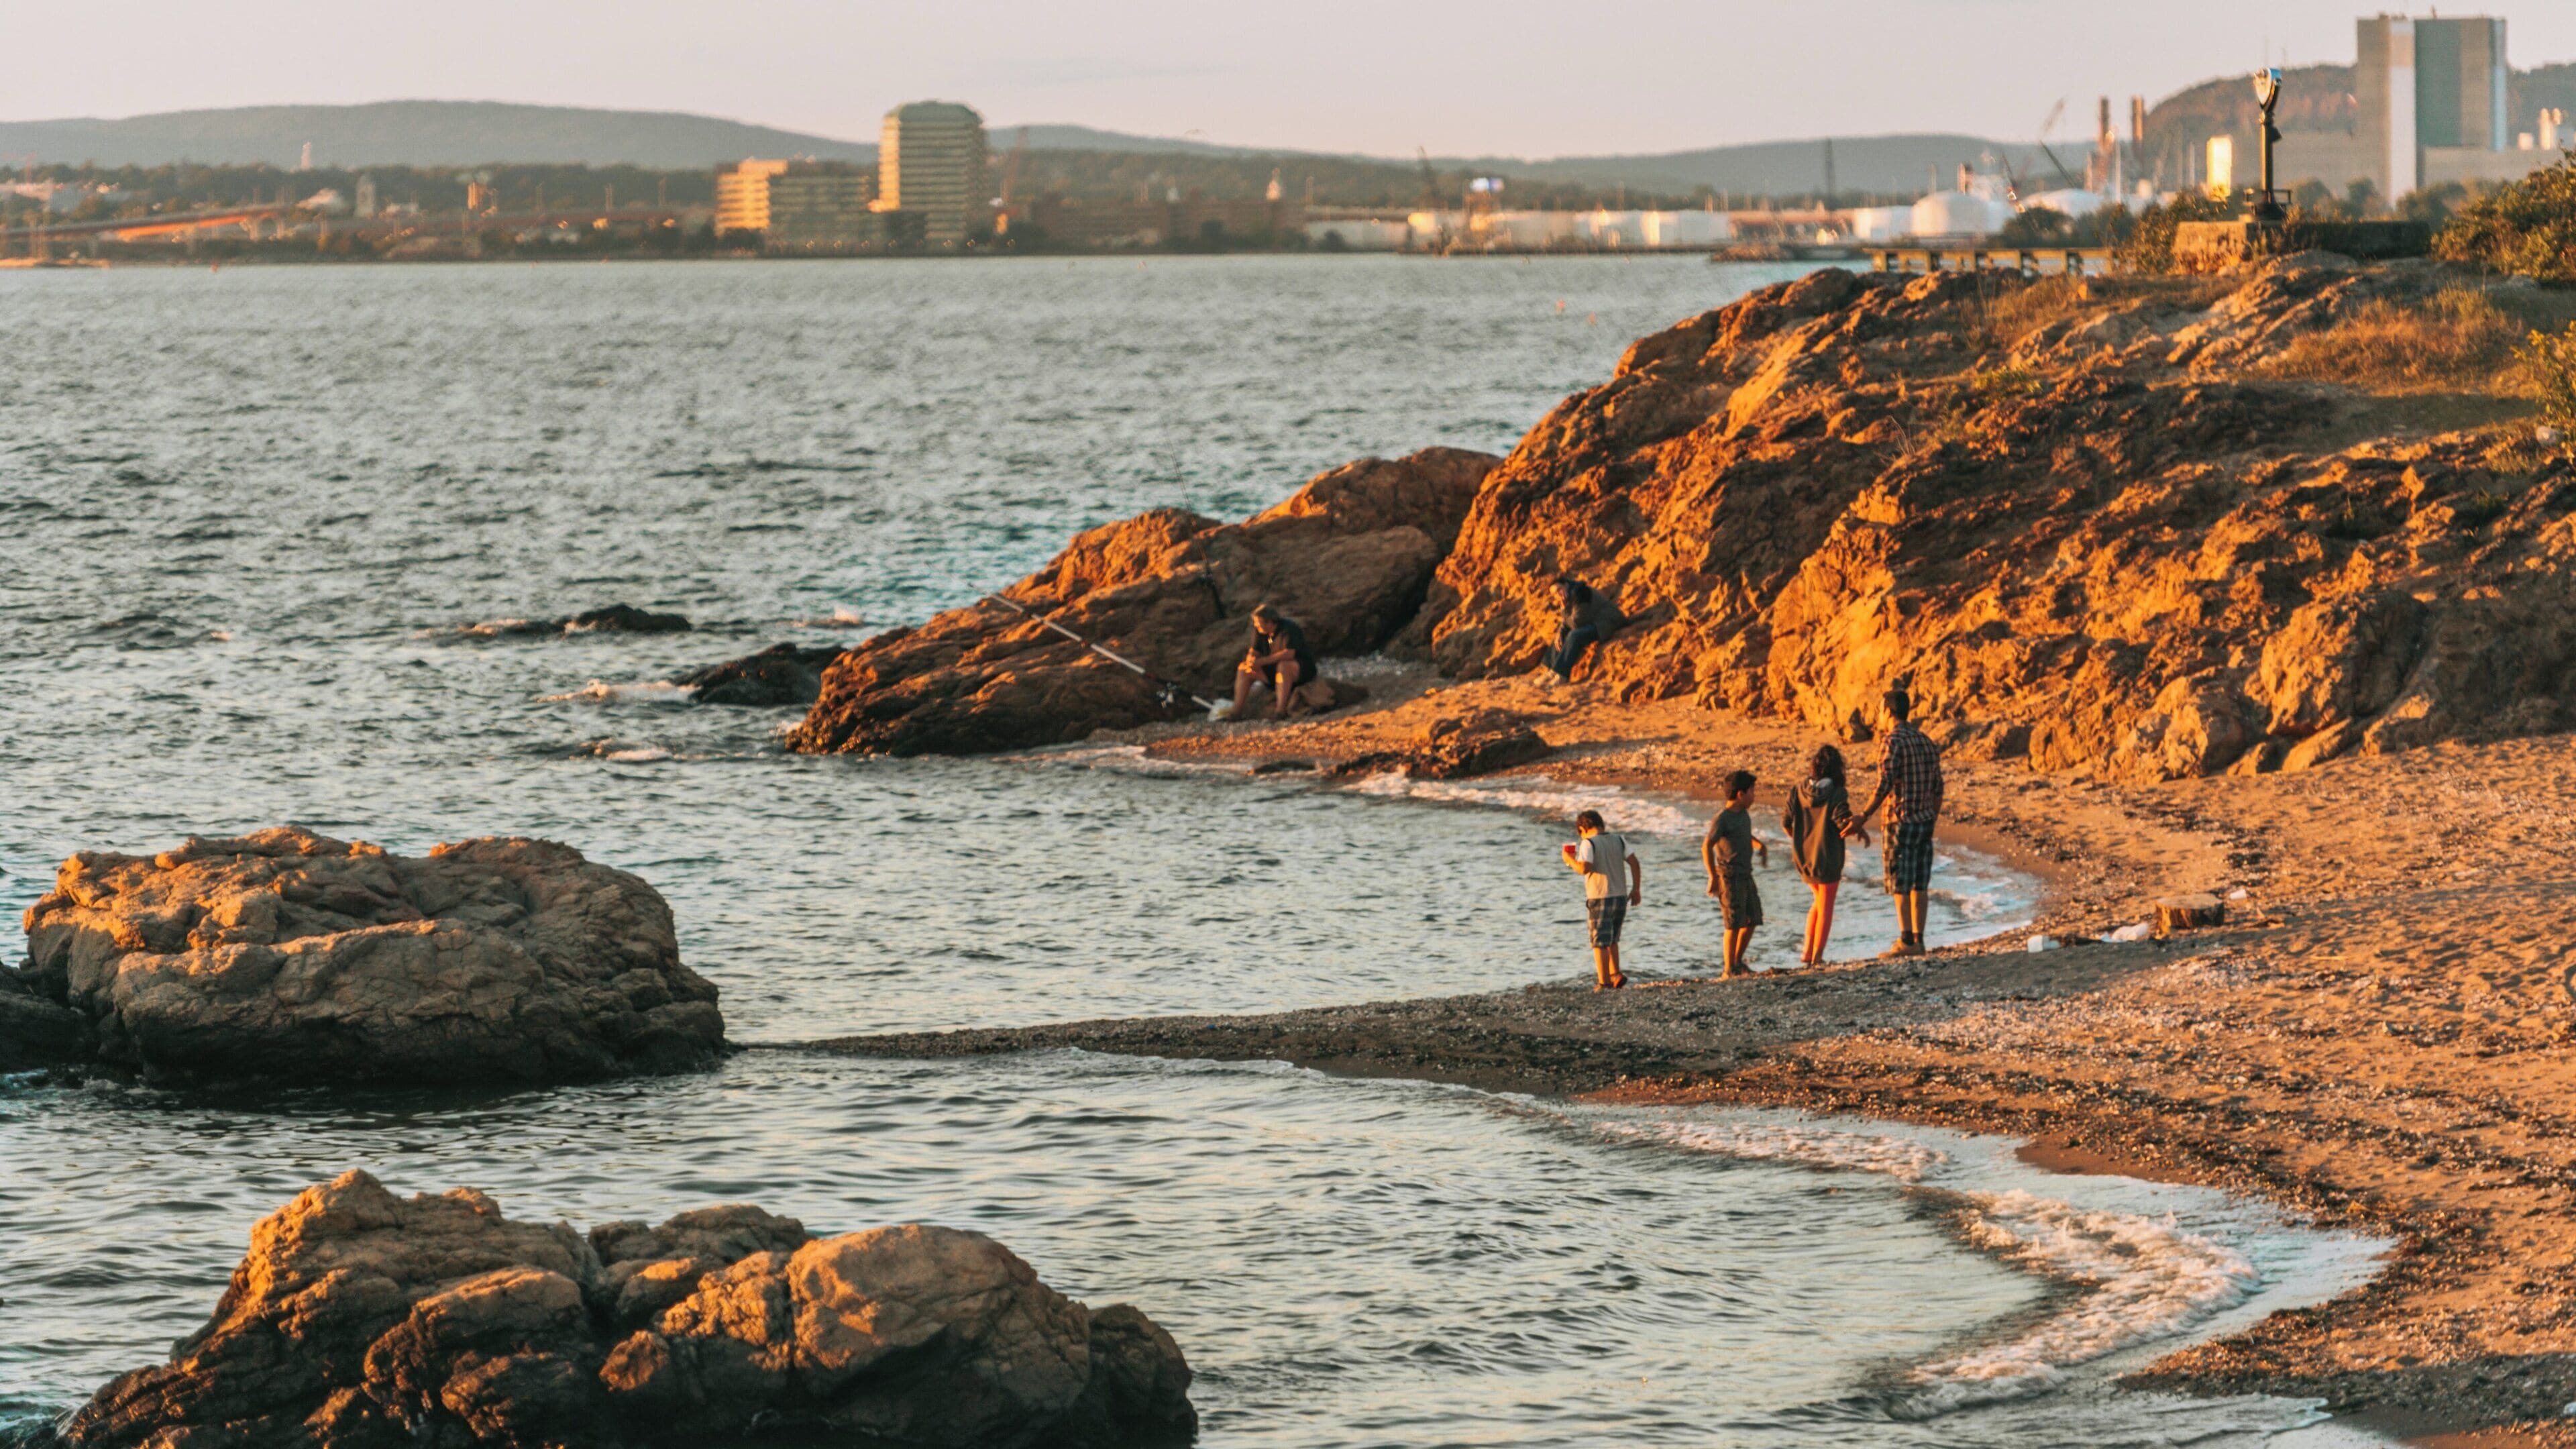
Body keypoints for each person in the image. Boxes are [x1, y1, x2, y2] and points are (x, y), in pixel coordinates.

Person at [1858, 681, 1944, 957]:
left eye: (1880, 711)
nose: (1879, 717)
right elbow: (1938, 788)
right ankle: (1919, 939)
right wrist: (1932, 817)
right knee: (1920, 882)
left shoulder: (1892, 742)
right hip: (1925, 820)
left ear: (1889, 711)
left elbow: (1884, 785)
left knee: (1900, 882)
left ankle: (1906, 940)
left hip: (1900, 819)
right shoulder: (1926, 741)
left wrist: (1863, 815)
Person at [1781, 744, 1870, 967]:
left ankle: (1807, 953)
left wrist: (1801, 840)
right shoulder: (1837, 793)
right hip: (1828, 857)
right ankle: (1818, 956)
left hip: (1804, 857)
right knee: (1826, 906)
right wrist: (1859, 827)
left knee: (1818, 903)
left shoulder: (1798, 790)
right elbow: (1842, 823)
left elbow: (1786, 823)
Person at [1562, 809, 1642, 989]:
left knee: (1599, 943)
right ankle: (1616, 974)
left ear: (1583, 829)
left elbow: (1585, 868)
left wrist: (1569, 860)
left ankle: (1603, 983)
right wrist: (1636, 889)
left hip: (1600, 896)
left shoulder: (1588, 844)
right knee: (1613, 939)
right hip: (1620, 896)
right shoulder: (1619, 839)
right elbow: (1635, 862)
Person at [1700, 770, 1767, 977]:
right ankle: (1729, 968)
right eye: (1752, 792)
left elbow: (1744, 835)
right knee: (1733, 923)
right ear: (1740, 794)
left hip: (1746, 874)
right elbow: (1707, 846)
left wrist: (1758, 845)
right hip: (1729, 876)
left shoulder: (1743, 815)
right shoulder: (1723, 818)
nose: (1754, 796)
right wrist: (1713, 876)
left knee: (1753, 919)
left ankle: (1737, 961)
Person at [1230, 603, 1317, 720]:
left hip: (1300, 670)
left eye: (1258, 622)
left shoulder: (1289, 629)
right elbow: (1254, 650)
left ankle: (1280, 711)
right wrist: (1251, 661)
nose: (1256, 625)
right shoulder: (1260, 631)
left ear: (1270, 622)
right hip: (1273, 671)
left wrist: (1261, 662)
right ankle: (1236, 712)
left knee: (1284, 666)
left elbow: (1289, 654)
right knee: (1243, 669)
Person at [1546, 578, 1617, 680]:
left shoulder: (1581, 593)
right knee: (1560, 638)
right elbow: (1567, 621)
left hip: (1608, 622)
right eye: (1555, 594)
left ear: (1566, 585)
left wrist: (1564, 609)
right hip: (1595, 623)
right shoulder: (1570, 596)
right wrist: (1560, 634)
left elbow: (1576, 624)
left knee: (1574, 635)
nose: (1559, 595)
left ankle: (1561, 675)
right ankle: (1552, 671)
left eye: (1559, 590)